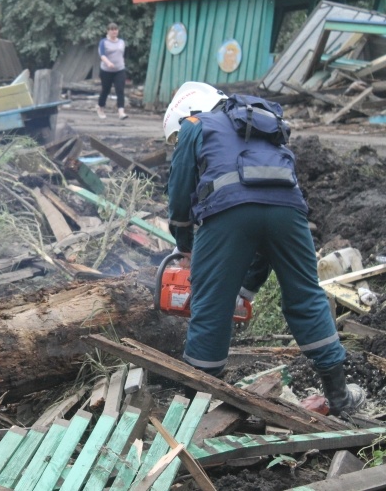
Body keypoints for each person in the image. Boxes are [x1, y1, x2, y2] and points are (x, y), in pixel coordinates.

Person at [164, 81, 365, 418]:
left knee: (212, 304)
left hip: (228, 211)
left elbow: (181, 192)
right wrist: (247, 288)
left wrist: (185, 246)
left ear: (186, 111)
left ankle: (192, 406)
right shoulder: (259, 124)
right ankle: (340, 396)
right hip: (289, 211)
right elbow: (263, 221)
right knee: (305, 296)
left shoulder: (195, 125)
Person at [96, 22, 128, 120]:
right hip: (106, 70)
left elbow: (124, 54)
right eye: (112, 30)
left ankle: (121, 112)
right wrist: (108, 63)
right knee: (106, 90)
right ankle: (100, 107)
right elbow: (102, 55)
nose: (114, 31)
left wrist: (121, 63)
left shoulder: (121, 42)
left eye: (116, 29)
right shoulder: (104, 42)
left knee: (120, 90)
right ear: (108, 31)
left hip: (119, 70)